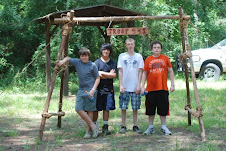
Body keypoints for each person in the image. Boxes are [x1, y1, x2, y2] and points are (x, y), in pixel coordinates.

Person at [57, 47, 100, 139]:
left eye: (85, 55)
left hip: (91, 90)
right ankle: (93, 126)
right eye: (81, 55)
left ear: (88, 56)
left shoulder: (93, 65)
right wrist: (62, 61)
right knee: (78, 108)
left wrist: (93, 90)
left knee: (90, 110)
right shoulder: (77, 62)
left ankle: (88, 132)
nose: (83, 57)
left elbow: (97, 78)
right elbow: (68, 58)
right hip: (81, 90)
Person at [141, 40, 175, 136]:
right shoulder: (148, 59)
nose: (156, 49)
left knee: (163, 108)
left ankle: (163, 127)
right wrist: (142, 86)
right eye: (154, 47)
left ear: (161, 49)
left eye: (158, 47)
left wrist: (173, 84)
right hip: (151, 89)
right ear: (152, 49)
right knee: (150, 108)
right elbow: (144, 73)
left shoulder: (165, 58)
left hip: (162, 88)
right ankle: (150, 127)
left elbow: (170, 71)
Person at [117, 38, 144, 134]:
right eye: (128, 44)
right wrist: (121, 85)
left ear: (134, 44)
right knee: (123, 107)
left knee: (135, 107)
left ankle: (135, 125)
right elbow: (120, 71)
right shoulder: (122, 56)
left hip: (135, 86)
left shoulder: (138, 56)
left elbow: (140, 72)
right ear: (125, 45)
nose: (130, 46)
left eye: (132, 44)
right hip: (125, 86)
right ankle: (123, 125)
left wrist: (139, 85)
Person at [93, 43, 117, 135]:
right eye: (104, 50)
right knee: (96, 109)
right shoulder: (96, 62)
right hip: (98, 90)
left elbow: (114, 75)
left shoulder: (112, 63)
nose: (105, 51)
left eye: (107, 50)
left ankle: (105, 127)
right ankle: (94, 127)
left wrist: (102, 73)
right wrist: (108, 75)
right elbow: (95, 76)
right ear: (101, 51)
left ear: (110, 51)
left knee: (106, 109)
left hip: (109, 89)